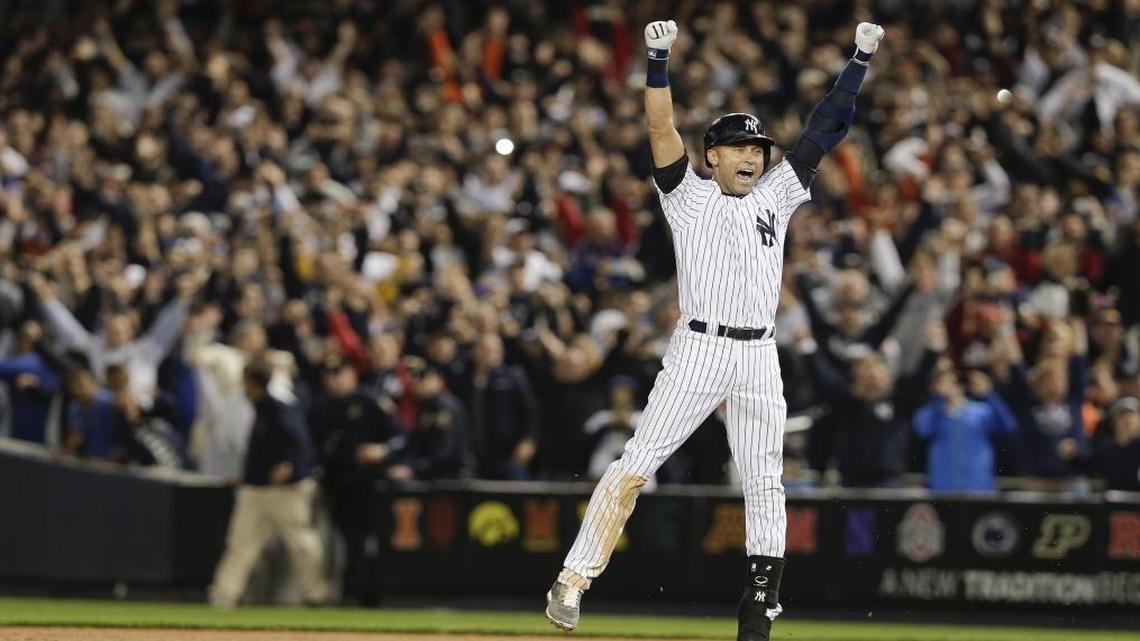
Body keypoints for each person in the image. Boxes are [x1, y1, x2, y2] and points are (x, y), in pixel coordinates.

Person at [545, 18, 886, 641]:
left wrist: (858, 61)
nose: (753, 155)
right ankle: (572, 578)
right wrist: (656, 60)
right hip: (698, 348)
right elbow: (657, 127)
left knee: (765, 481)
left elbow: (824, 128)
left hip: (759, 353)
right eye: (739, 147)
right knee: (637, 461)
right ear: (713, 156)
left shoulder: (779, 195)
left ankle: (758, 612)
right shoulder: (687, 196)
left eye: (757, 147)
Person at [208, 361, 328, 608]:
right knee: (240, 544)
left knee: (301, 543)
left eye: (246, 382)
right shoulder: (261, 408)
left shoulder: (278, 407)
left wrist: (290, 464)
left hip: (285, 491)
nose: (244, 388)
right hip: (256, 489)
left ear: (253, 383)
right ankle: (223, 595)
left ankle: (316, 594)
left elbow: (301, 444)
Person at [308, 353, 408, 605]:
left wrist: (382, 451)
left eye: (339, 374)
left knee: (364, 542)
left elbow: (400, 436)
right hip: (333, 482)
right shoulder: (319, 406)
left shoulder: (369, 401)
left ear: (352, 374)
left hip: (366, 483)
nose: (334, 380)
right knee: (334, 543)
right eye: (330, 375)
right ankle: (340, 593)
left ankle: (364, 594)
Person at [914, 369, 1018, 492]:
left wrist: (989, 394)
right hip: (942, 487)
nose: (949, 387)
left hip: (978, 486)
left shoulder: (981, 411)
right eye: (942, 383)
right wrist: (938, 400)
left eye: (953, 382)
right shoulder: (927, 413)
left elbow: (1009, 427)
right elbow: (924, 430)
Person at [1098, 396, 1140, 492]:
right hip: (1112, 503)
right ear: (1114, 420)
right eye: (1123, 415)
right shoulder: (1105, 450)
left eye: (1133, 415)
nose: (1129, 420)